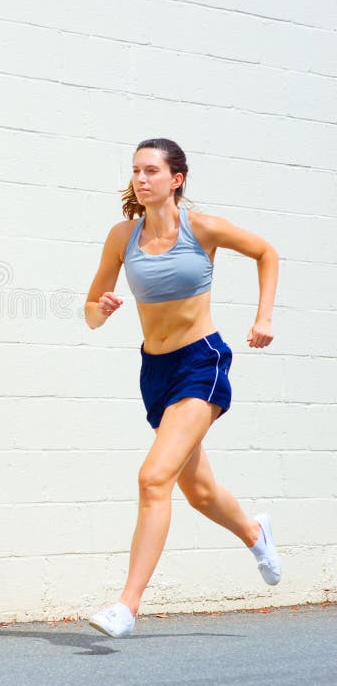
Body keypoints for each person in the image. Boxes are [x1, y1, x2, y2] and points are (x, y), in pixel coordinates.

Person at [83, 138, 281, 639]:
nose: (141, 179)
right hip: (156, 371)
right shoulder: (121, 236)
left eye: (151, 170)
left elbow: (266, 252)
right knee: (197, 490)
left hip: (201, 362)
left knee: (154, 478)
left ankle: (126, 606)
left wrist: (263, 317)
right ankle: (256, 533)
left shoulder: (203, 228)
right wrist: (100, 310)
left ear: (177, 180)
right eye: (135, 171)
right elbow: (89, 312)